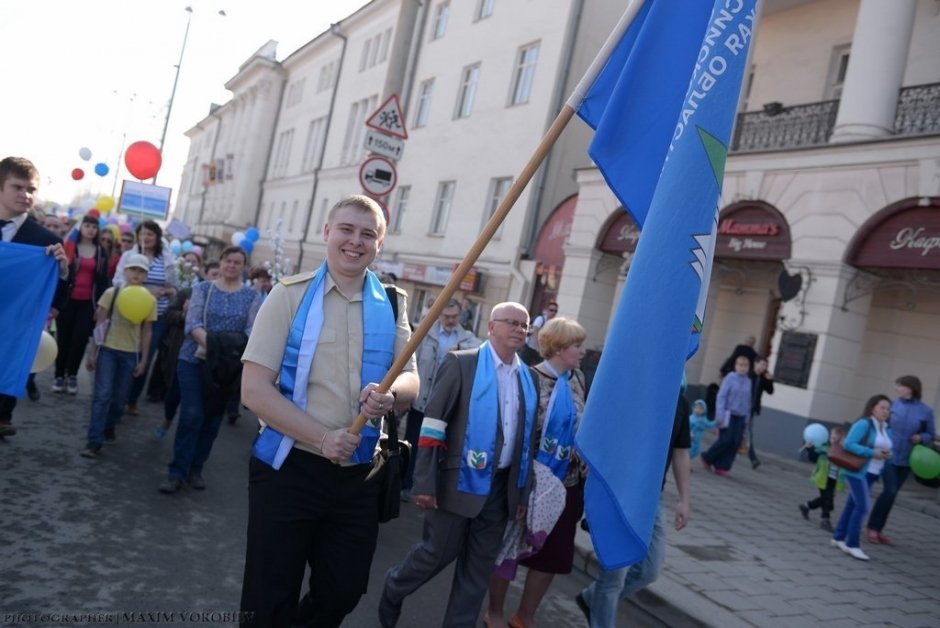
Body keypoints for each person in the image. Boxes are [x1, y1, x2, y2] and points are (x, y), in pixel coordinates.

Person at [238, 195, 419, 627]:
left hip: (359, 473)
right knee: (268, 595)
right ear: (327, 233)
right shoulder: (288, 296)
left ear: (380, 243)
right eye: (346, 230)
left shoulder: (392, 303)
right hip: (290, 466)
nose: (355, 241)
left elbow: (411, 379)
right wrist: (322, 437)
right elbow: (254, 390)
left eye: (368, 234)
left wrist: (391, 397)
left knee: (343, 590)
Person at [380, 302, 538, 628]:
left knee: (477, 573)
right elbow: (434, 424)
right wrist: (424, 481)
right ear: (492, 327)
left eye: (524, 326)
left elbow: (527, 441)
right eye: (512, 323)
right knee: (436, 555)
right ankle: (395, 586)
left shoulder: (528, 378)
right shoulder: (462, 364)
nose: (520, 330)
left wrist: (521, 495)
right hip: (458, 482)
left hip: (502, 489)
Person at [484, 317, 587, 628]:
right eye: (577, 345)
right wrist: (521, 483)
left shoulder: (577, 378)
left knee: (553, 554)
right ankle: (495, 612)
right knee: (510, 549)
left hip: (567, 483)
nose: (583, 351)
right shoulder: (529, 379)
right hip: (531, 482)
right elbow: (517, 435)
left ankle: (525, 616)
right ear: (557, 348)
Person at [576, 390, 692, 628]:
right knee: (614, 578)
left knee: (648, 570)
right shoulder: (637, 388)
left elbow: (681, 452)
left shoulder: (679, 402)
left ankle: (592, 598)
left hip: (651, 500)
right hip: (619, 495)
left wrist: (684, 499)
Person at [159, 246, 261, 493]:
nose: (232, 266)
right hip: (194, 361)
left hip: (227, 369)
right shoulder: (202, 289)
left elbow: (251, 331)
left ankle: (196, 469)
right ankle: (177, 472)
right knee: (192, 414)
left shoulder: (251, 297)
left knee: (212, 418)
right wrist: (216, 346)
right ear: (222, 262)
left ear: (243, 267)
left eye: (238, 262)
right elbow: (192, 324)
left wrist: (223, 352)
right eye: (228, 260)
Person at [0, 156, 69, 438]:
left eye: (31, 190)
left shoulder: (46, 241)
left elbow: (59, 297)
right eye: (17, 187)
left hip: (13, 333)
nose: (25, 195)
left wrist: (62, 272)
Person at [402, 297, 481, 499]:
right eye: (446, 316)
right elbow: (412, 363)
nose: (450, 320)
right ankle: (405, 484)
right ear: (438, 315)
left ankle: (430, 488)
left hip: (448, 406)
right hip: (421, 401)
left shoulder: (468, 340)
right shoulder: (424, 334)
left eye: (454, 316)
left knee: (438, 447)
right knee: (413, 442)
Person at [80, 254, 156, 457]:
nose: (136, 274)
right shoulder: (111, 293)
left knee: (119, 399)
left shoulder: (148, 299)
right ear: (125, 270)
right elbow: (100, 324)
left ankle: (109, 425)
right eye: (133, 269)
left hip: (131, 354)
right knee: (102, 396)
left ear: (146, 275)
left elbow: (147, 331)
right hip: (108, 350)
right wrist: (92, 354)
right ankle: (94, 441)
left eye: (141, 271)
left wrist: (144, 359)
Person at [115, 220, 177, 413]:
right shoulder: (129, 256)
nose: (146, 238)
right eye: (142, 234)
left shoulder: (167, 260)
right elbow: (117, 281)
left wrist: (164, 292)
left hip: (156, 316)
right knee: (125, 354)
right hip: (129, 314)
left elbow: (175, 287)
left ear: (157, 237)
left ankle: (132, 399)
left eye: (150, 234)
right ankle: (118, 395)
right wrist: (140, 290)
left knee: (145, 357)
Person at [865, 375, 936, 544]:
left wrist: (921, 437)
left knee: (892, 493)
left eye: (900, 385)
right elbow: (878, 424)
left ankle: (877, 529)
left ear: (910, 388)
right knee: (890, 490)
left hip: (907, 459)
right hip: (887, 455)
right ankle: (872, 528)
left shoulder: (925, 411)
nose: (897, 388)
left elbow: (930, 434)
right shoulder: (893, 405)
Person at [54, 214, 112, 395]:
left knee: (79, 340)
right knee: (63, 339)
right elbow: (60, 274)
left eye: (94, 227)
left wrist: (101, 306)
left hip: (88, 303)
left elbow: (103, 280)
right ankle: (58, 375)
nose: (91, 230)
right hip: (68, 301)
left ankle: (72, 374)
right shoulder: (70, 246)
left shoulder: (101, 251)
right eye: (87, 226)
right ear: (81, 227)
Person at [831, 394, 893, 561]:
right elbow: (849, 444)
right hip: (857, 471)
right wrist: (872, 453)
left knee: (852, 505)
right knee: (863, 507)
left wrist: (887, 455)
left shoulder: (885, 427)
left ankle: (838, 537)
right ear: (873, 407)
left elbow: (884, 447)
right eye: (882, 407)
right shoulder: (864, 423)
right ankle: (853, 544)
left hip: (873, 473)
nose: (886, 411)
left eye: (888, 408)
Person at [701, 355, 752, 476]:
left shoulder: (748, 381)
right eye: (740, 365)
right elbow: (721, 396)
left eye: (745, 366)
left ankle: (722, 466)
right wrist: (720, 414)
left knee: (735, 442)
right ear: (736, 366)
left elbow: (748, 400)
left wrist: (747, 417)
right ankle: (708, 457)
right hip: (728, 414)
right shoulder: (730, 378)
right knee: (726, 440)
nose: (743, 368)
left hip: (740, 415)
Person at [799, 425, 846, 532]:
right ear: (829, 437)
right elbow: (814, 458)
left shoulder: (843, 451)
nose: (834, 442)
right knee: (828, 500)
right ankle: (825, 520)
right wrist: (810, 449)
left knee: (826, 499)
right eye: (833, 439)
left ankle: (806, 506)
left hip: (834, 480)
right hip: (823, 478)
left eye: (838, 440)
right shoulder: (824, 449)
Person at [745, 356, 774, 470]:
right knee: (746, 434)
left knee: (747, 434)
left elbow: (770, 391)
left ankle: (753, 459)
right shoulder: (748, 375)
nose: (763, 367)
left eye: (765, 365)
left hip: (752, 410)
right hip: (743, 408)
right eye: (762, 364)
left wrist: (770, 380)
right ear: (755, 364)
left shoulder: (763, 378)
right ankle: (753, 458)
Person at [520, 300, 557, 365]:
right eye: (551, 310)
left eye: (555, 311)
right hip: (530, 348)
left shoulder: (553, 323)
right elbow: (535, 332)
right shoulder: (541, 319)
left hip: (541, 351)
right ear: (547, 310)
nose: (553, 313)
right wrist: (538, 347)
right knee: (523, 365)